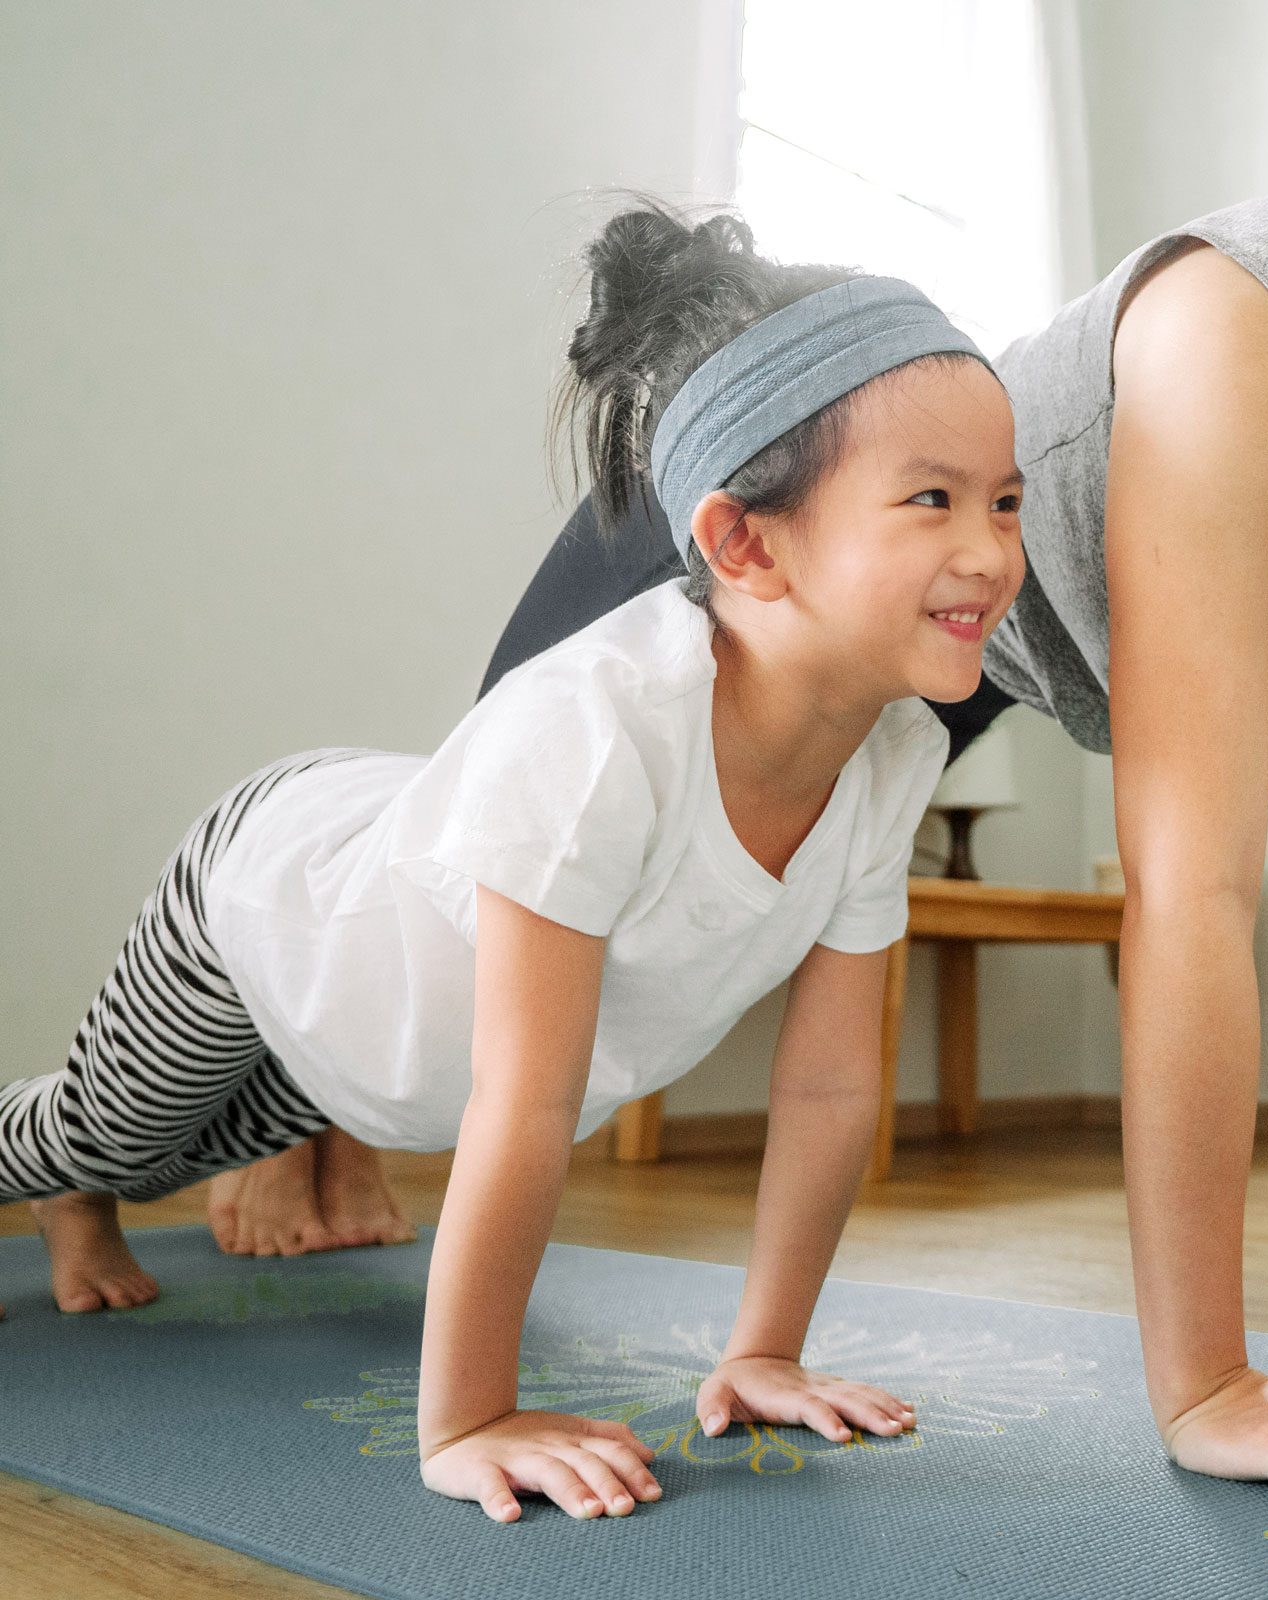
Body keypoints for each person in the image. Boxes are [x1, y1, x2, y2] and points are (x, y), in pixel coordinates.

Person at [223, 67, 1268, 1523]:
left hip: (979, 662)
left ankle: (331, 1130)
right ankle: (305, 1118)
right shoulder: (1253, 327)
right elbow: (1190, 883)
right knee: (450, 897)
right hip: (799, 569)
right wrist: (1208, 1384)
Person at [0, 206, 1029, 1522]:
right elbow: (524, 1103)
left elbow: (827, 1087)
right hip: (268, 901)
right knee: (113, 1132)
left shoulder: (889, 762)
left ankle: (88, 1187)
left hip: (383, 1042)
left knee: (206, 1139)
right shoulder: (603, 729)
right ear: (744, 544)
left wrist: (764, 1349)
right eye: (933, 500)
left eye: (1004, 501)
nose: (992, 551)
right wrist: (472, 1416)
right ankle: (71, 1180)